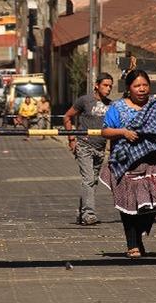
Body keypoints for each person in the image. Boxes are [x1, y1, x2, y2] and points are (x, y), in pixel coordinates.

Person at [100, 70, 156, 258]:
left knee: (153, 203)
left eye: (145, 85)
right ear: (128, 89)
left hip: (154, 161)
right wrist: (123, 132)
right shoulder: (117, 107)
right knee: (129, 204)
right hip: (126, 163)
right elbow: (106, 131)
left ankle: (139, 234)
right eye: (137, 86)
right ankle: (132, 243)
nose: (141, 89)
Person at [63, 73, 113, 226]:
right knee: (89, 179)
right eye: (105, 85)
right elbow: (67, 117)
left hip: (100, 148)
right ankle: (89, 214)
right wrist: (71, 139)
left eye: (110, 86)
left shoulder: (111, 105)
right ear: (97, 85)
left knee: (91, 182)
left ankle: (81, 213)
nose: (108, 89)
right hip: (84, 145)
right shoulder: (85, 100)